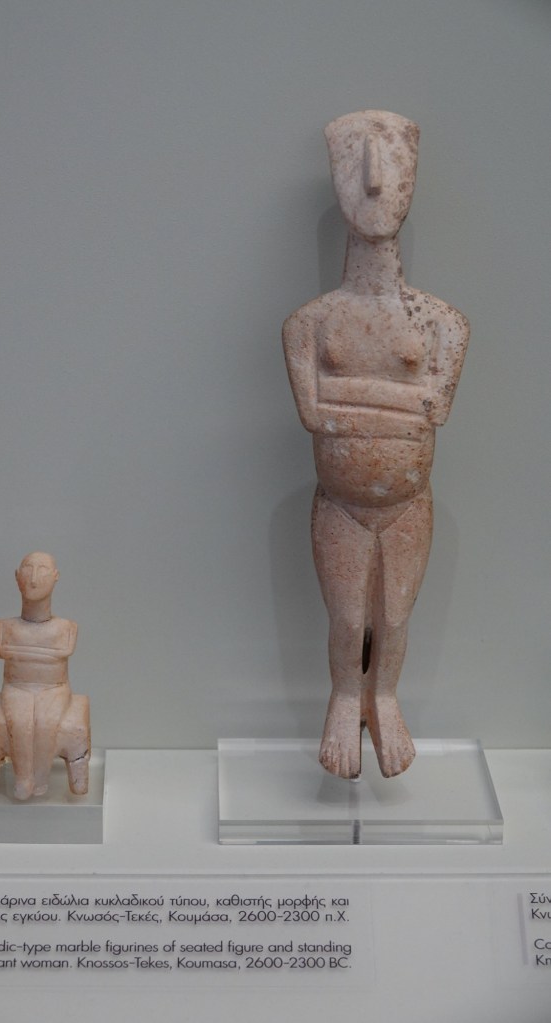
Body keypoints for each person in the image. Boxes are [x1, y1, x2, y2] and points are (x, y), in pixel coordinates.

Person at [282, 110, 469, 778]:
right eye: (355, 162)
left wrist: (349, 397)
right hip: (341, 503)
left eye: (391, 162)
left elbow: (435, 411)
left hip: (406, 503)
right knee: (345, 619)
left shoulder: (442, 323)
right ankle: (343, 697)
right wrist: (397, 401)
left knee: (392, 620)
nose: (373, 181)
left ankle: (384, 698)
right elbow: (315, 414)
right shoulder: (309, 324)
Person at [0, 552, 78, 798]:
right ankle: (23, 778)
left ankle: (40, 778)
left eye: (42, 570)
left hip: (54, 688)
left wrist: (23, 652)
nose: (33, 578)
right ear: (17, 576)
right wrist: (46, 654)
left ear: (55, 577)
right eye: (27, 569)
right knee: (20, 721)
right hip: (16, 686)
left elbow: (61, 652)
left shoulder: (67, 628)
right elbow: (3, 651)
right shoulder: (4, 627)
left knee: (46, 721)